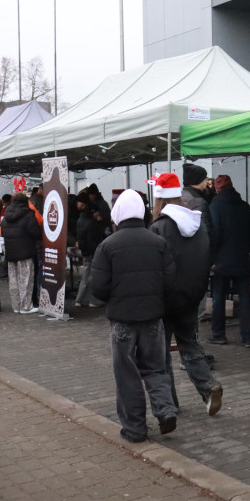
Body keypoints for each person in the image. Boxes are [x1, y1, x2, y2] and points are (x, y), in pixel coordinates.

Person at [89, 190, 178, 443]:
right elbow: (170, 282)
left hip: (122, 319)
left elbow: (98, 287)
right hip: (153, 317)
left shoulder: (107, 246)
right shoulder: (159, 243)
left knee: (127, 374)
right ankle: (166, 410)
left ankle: (135, 429)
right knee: (156, 368)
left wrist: (116, 298)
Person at [149, 173, 223, 415]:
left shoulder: (159, 227)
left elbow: (156, 268)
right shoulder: (197, 223)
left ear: (159, 199)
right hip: (192, 295)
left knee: (161, 353)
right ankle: (207, 385)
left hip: (167, 298)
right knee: (189, 343)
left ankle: (170, 403)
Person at [208, 175, 250, 348]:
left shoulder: (215, 205)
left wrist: (213, 257)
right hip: (242, 259)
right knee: (245, 299)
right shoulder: (244, 206)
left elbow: (214, 234)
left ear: (217, 188)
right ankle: (248, 338)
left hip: (222, 260)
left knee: (219, 298)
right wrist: (245, 249)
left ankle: (218, 334)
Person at [1, 193, 42, 314]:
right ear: (25, 201)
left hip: (11, 251)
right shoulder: (29, 214)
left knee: (13, 281)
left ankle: (16, 306)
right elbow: (35, 233)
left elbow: (3, 231)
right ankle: (26, 306)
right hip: (25, 251)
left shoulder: (7, 214)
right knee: (26, 279)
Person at [74, 191, 106, 308]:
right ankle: (93, 300)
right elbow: (94, 242)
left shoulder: (81, 220)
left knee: (86, 276)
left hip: (85, 252)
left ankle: (80, 299)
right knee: (93, 277)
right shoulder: (92, 224)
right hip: (92, 254)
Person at [181, 163, 213, 229]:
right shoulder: (198, 201)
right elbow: (204, 229)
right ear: (198, 180)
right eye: (205, 179)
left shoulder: (180, 196)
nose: (207, 181)